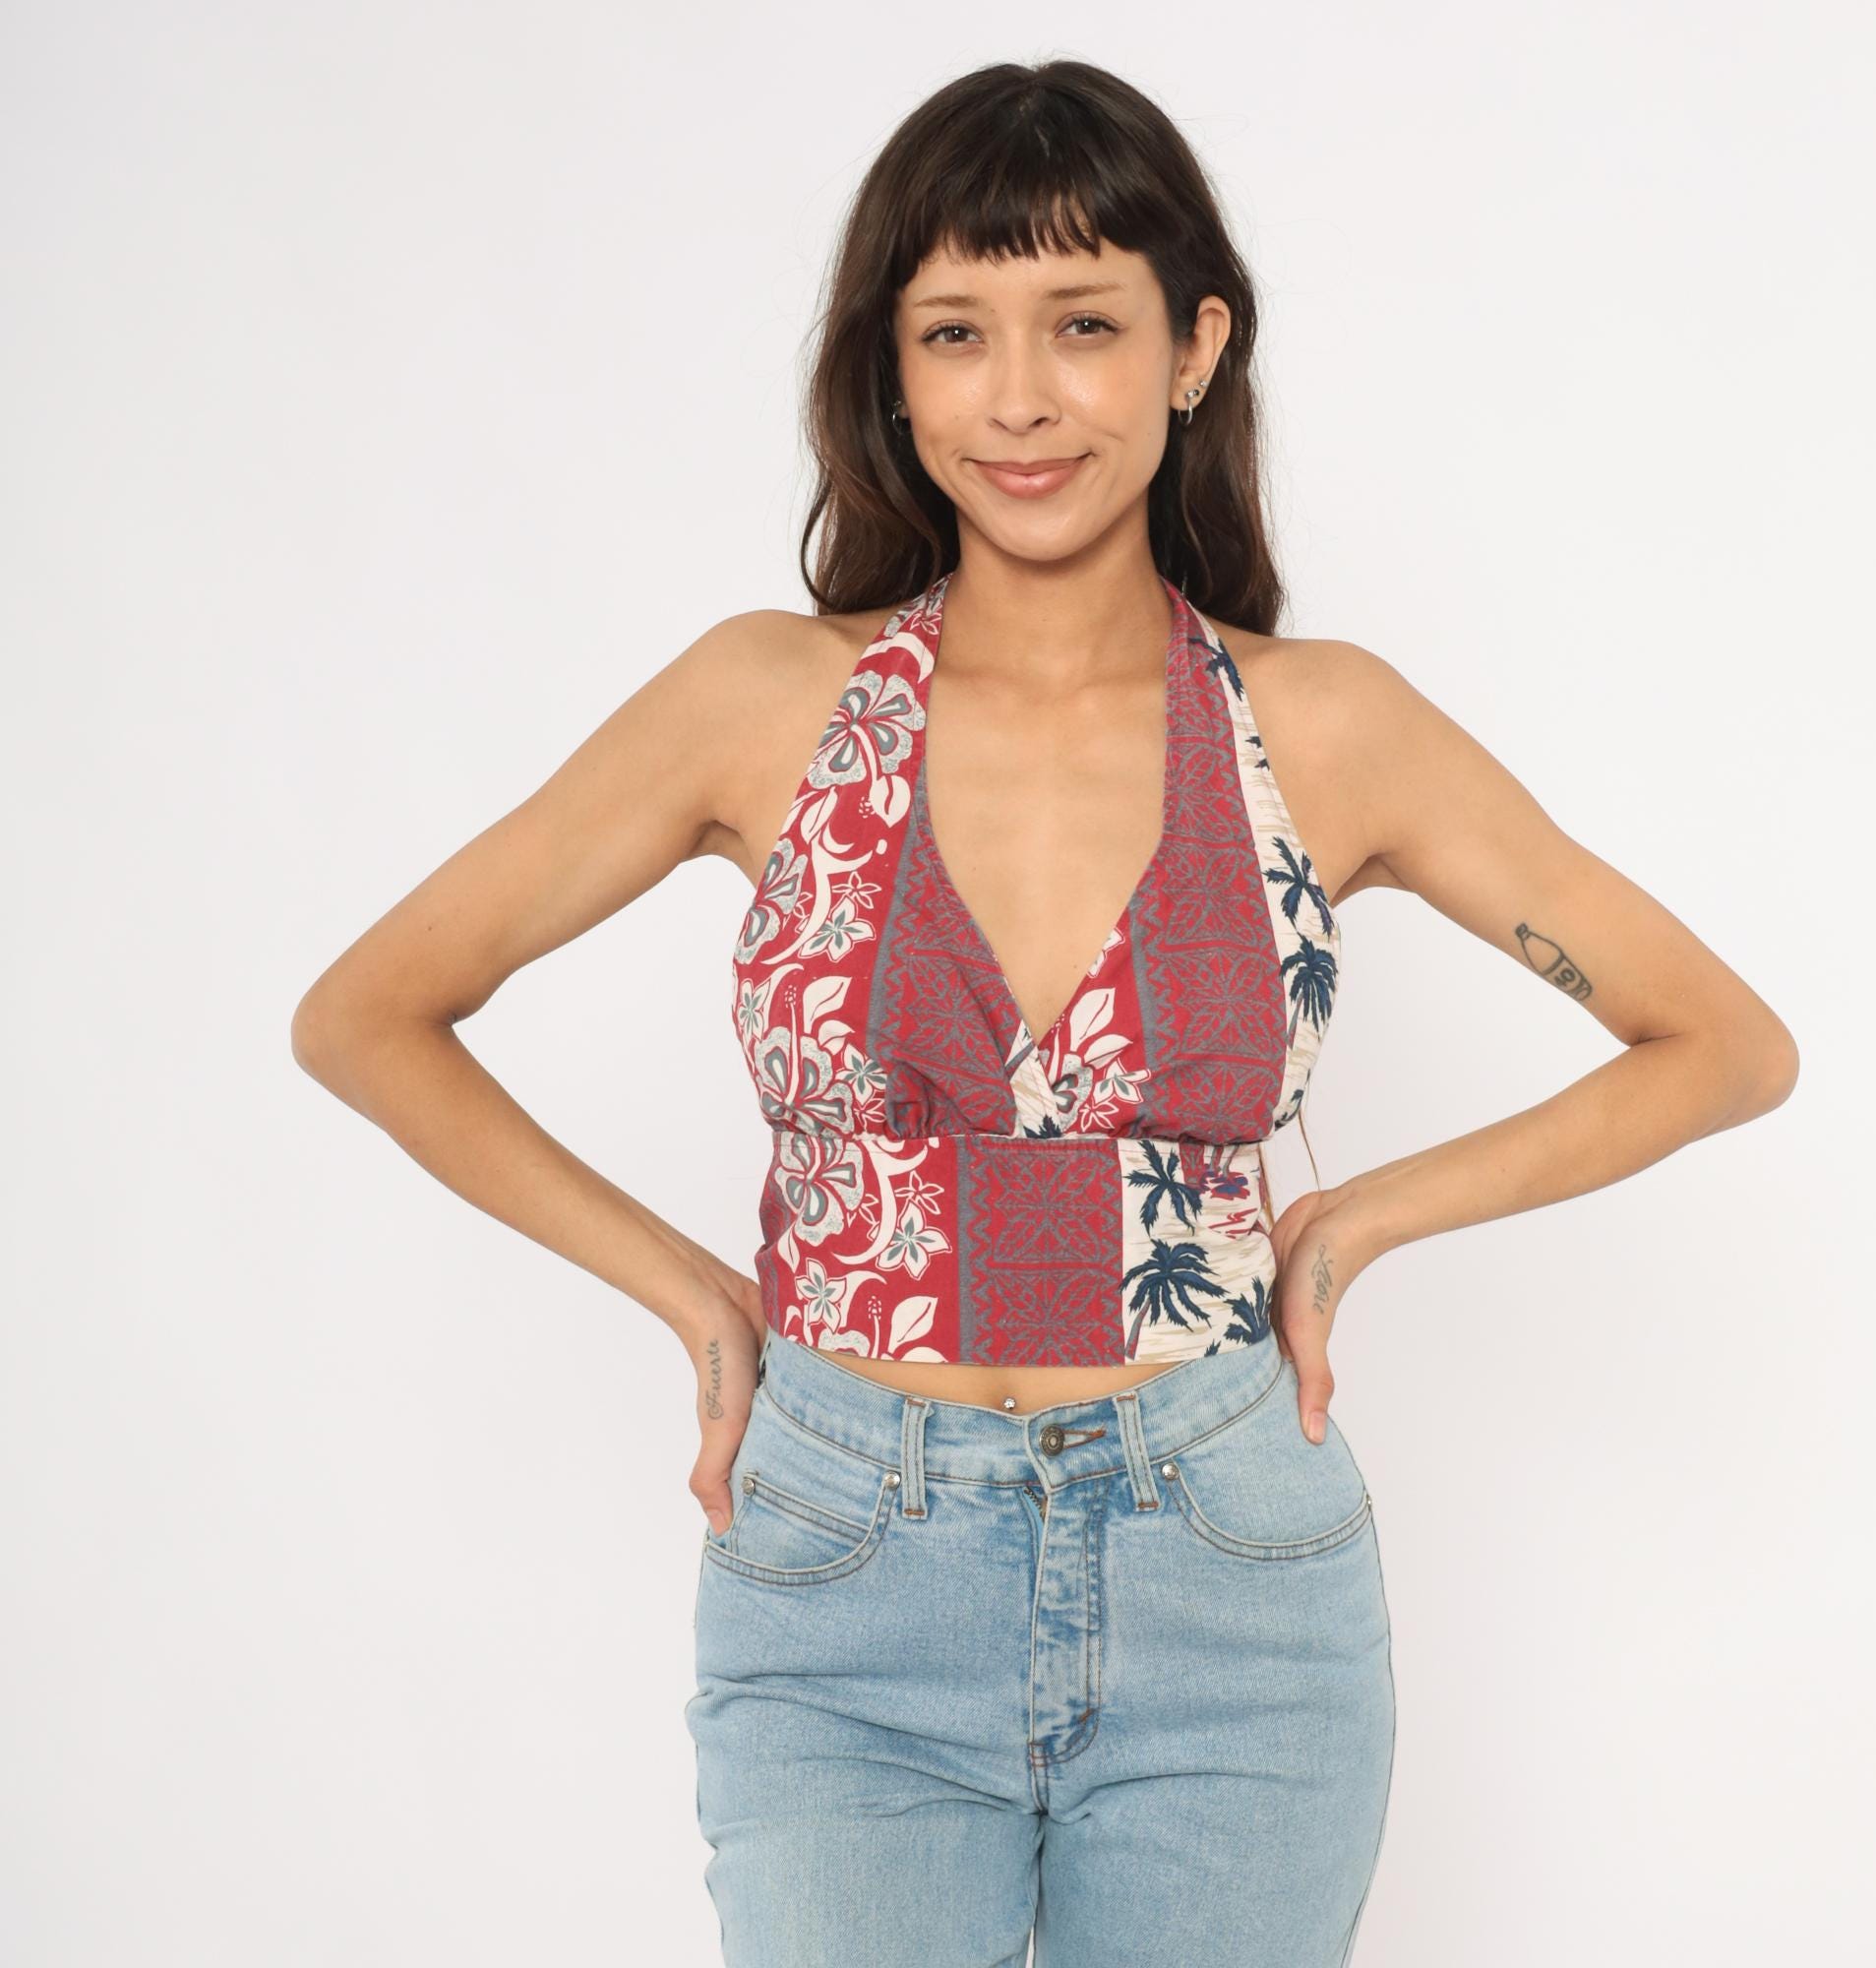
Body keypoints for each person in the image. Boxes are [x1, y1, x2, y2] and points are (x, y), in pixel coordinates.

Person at [291, 56, 1798, 1968]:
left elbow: (1718, 1042)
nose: (1017, 396)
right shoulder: (766, 705)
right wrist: (695, 1296)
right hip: (846, 1581)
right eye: (955, 332)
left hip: (1229, 1576)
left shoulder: (1320, 729)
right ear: (893, 373)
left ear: (1193, 347)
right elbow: (372, 1012)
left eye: (1083, 324)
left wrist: (1357, 1222)